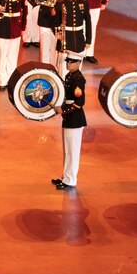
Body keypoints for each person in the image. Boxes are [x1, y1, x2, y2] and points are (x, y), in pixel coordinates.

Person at [51, 52, 86, 190]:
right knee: (67, 151)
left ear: (78, 63)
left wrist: (63, 110)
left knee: (72, 151)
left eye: (71, 62)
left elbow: (80, 102)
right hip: (69, 118)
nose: (68, 64)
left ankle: (70, 180)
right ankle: (65, 176)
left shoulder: (78, 79)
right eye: (68, 61)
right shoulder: (69, 75)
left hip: (75, 118)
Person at [54, 0, 93, 74]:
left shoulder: (83, 3)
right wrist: (57, 33)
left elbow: (88, 23)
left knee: (77, 69)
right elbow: (55, 22)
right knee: (63, 69)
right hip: (66, 39)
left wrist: (88, 40)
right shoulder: (61, 3)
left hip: (79, 39)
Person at [31, 0, 63, 67]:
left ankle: (53, 70)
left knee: (54, 48)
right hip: (44, 18)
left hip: (56, 20)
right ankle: (44, 69)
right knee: (44, 48)